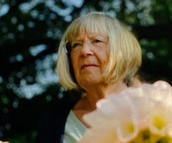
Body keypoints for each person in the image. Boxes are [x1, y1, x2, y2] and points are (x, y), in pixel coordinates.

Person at [35, 11, 143, 143]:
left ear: (121, 51)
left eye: (97, 41)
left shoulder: (155, 107)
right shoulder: (53, 123)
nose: (84, 51)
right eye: (76, 45)